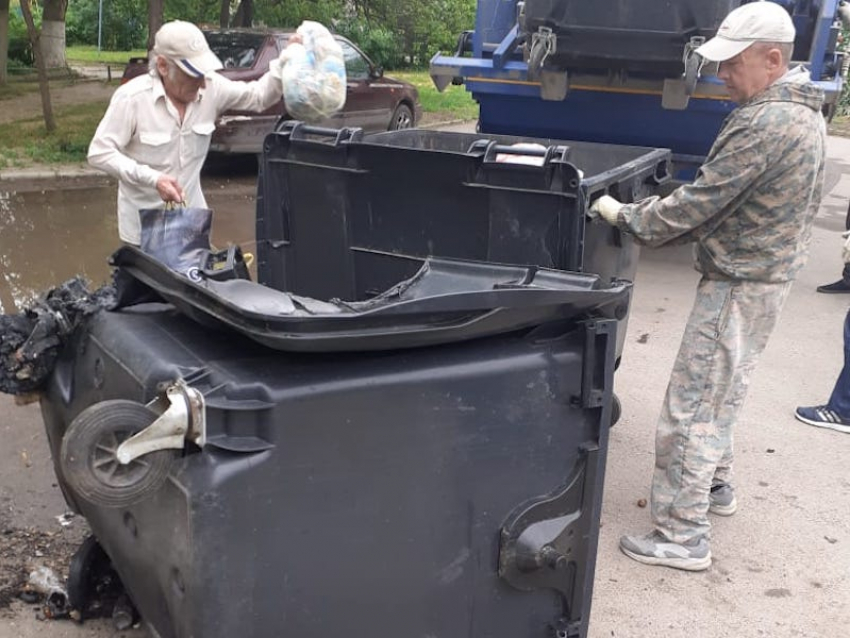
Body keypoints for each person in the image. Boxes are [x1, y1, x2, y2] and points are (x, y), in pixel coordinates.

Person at [590, 2, 826, 571]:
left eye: (732, 65)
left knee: (692, 406)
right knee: (724, 391)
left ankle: (682, 533)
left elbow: (697, 207)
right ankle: (715, 486)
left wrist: (624, 216)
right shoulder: (806, 114)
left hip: (737, 282)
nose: (722, 77)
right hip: (767, 277)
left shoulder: (763, 122)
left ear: (772, 60)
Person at [88, 20, 297, 246]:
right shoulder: (132, 99)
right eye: (192, 73)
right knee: (148, 282)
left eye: (203, 72)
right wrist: (153, 179)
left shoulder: (211, 87)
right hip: (142, 233)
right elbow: (99, 152)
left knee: (199, 280)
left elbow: (258, 97)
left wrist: (285, 62)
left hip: (192, 225)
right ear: (163, 66)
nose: (202, 83)